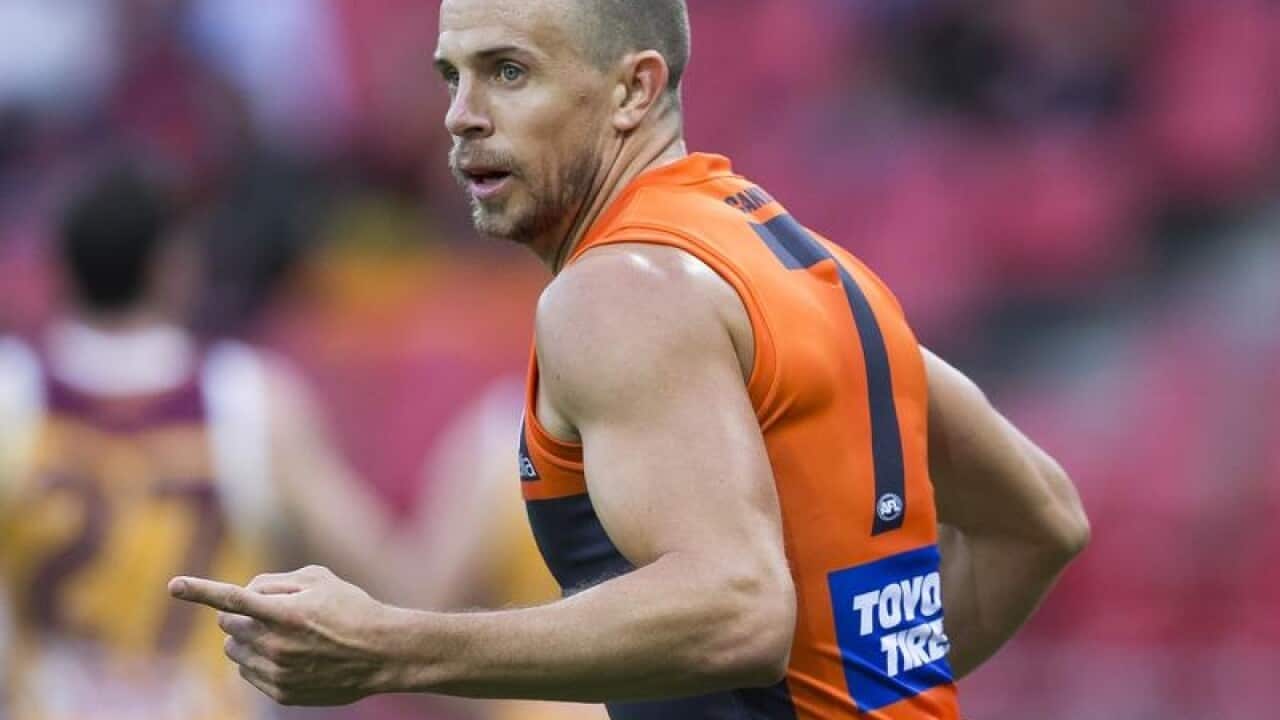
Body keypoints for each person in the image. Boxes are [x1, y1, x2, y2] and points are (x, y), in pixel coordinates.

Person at [169, 1, 1091, 718]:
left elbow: (737, 607)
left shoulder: (615, 293)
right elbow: (1039, 519)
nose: (459, 116)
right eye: (451, 76)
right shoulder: (810, 267)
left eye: (508, 73)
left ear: (633, 90)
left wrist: (393, 649)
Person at [0, 163, 479, 720]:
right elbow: (394, 584)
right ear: (172, 266)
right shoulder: (251, 400)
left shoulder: (12, 397)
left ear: (62, 269)